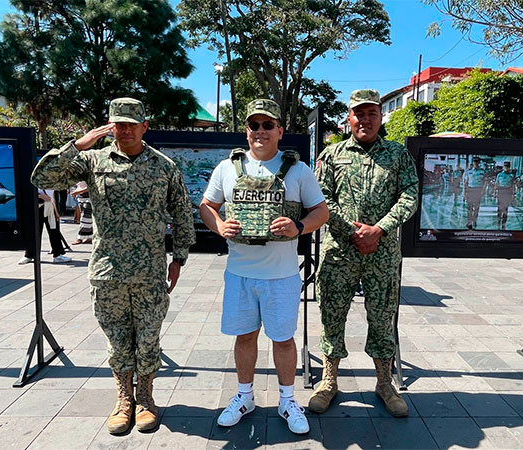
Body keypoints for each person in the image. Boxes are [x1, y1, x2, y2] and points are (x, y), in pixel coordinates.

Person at [31, 97, 195, 434]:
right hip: (108, 272)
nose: (125, 130)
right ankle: (124, 399)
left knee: (148, 339)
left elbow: (181, 213)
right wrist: (78, 144)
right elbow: (41, 177)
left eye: (132, 124)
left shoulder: (163, 166)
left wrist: (178, 258)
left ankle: (146, 398)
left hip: (150, 273)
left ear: (144, 126)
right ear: (110, 126)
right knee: (118, 341)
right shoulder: (92, 162)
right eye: (118, 124)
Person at [200, 99, 329, 435]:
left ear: (280, 131)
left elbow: (321, 212)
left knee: (283, 340)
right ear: (246, 131)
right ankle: (245, 396)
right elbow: (207, 206)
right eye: (253, 125)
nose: (260, 131)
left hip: (282, 275)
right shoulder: (227, 169)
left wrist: (299, 227)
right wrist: (218, 226)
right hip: (241, 273)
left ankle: (288, 400)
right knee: (245, 337)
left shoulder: (298, 171)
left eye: (267, 125)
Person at [310, 89, 417, 418]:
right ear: (349, 118)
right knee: (332, 317)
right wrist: (354, 232)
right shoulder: (331, 155)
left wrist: (379, 229)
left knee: (383, 319)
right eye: (359, 114)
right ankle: (329, 380)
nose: (365, 119)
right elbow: (321, 199)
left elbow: (410, 194)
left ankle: (384, 382)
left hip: (382, 255)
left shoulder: (398, 155)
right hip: (340, 254)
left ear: (381, 117)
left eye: (372, 113)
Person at [18, 188, 71, 264]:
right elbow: (27, 191)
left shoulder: (51, 181)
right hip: (38, 207)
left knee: (54, 231)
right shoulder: (35, 179)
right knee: (34, 232)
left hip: (50, 206)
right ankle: (29, 255)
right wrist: (40, 195)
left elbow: (52, 196)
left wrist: (56, 211)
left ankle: (57, 254)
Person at [463, 157, 485, 229]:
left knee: (476, 207)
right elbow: (465, 183)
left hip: (478, 190)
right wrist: (464, 193)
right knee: (469, 207)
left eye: (477, 162)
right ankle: (469, 221)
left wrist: (483, 190)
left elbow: (485, 182)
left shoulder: (482, 171)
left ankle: (474, 220)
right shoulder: (468, 171)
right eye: (475, 162)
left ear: (479, 163)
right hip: (470, 190)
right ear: (473, 162)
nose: (476, 163)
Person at [495, 161, 516, 229]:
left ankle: (504, 223)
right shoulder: (499, 175)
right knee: (499, 208)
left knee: (506, 208)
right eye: (505, 166)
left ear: (509, 167)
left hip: (507, 192)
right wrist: (495, 193)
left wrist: (513, 194)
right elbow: (496, 184)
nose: (506, 168)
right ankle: (499, 220)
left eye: (508, 167)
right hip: (500, 192)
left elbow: (513, 185)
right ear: (503, 167)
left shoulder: (511, 175)